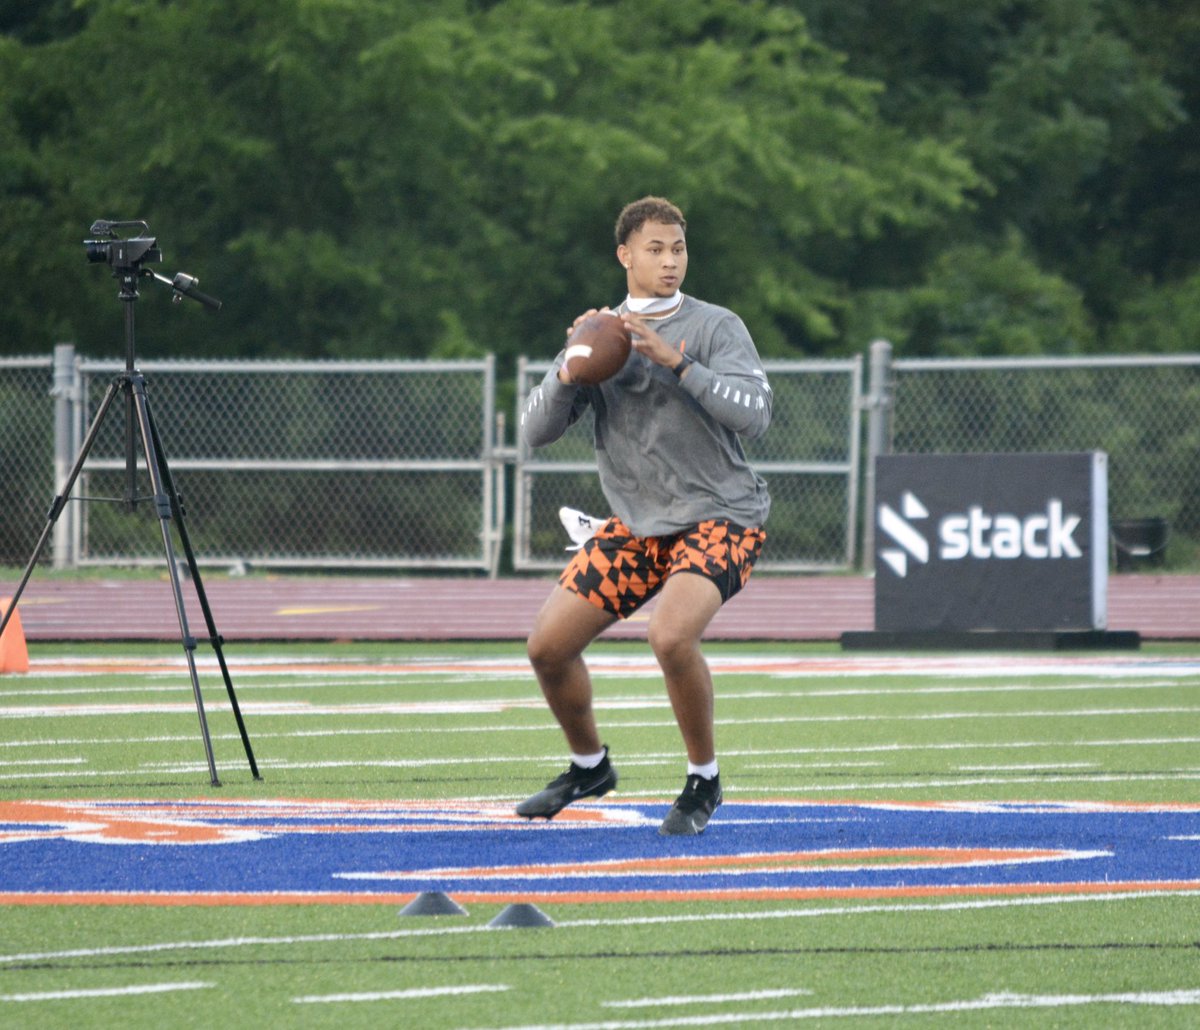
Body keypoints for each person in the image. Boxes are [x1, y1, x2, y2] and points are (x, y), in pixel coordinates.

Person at [517, 196, 772, 835]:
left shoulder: (715, 325)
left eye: (677, 249)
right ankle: (589, 766)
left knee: (670, 636)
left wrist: (677, 362)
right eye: (654, 249)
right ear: (624, 256)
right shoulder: (599, 331)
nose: (669, 261)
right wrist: (570, 367)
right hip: (637, 525)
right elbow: (534, 431)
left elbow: (756, 415)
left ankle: (704, 779)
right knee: (548, 647)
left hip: (721, 515)